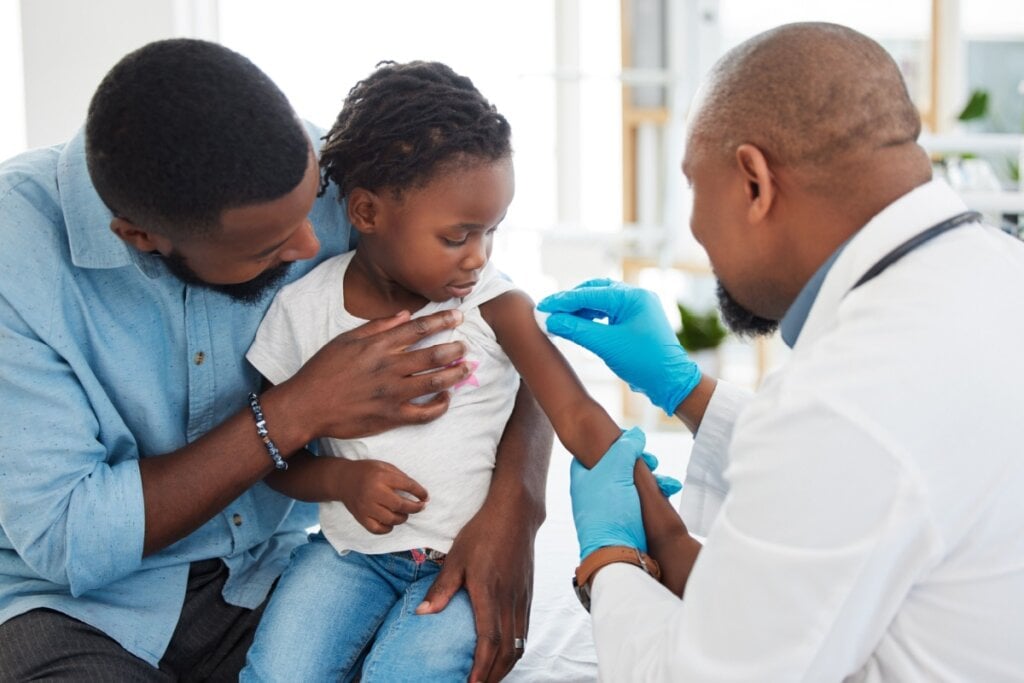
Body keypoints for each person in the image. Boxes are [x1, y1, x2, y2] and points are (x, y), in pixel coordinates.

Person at [0, 39, 554, 682]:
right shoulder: (17, 252)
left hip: (269, 573)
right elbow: (69, 537)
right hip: (78, 611)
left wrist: (517, 506)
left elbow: (510, 328)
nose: (313, 242)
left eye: (312, 203)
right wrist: (295, 411)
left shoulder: (332, 171)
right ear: (142, 237)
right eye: (268, 249)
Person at [538, 21, 1024, 681]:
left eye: (693, 187)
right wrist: (688, 392)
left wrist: (609, 559)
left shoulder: (844, 403)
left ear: (754, 183)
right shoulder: (996, 271)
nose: (695, 227)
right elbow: (878, 474)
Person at [239, 60, 682, 682]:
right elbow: (271, 456)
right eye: (457, 237)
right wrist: (342, 478)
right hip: (348, 555)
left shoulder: (494, 304)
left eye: (491, 232)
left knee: (403, 675)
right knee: (278, 673)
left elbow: (576, 413)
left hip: (466, 559)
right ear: (366, 212)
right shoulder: (302, 310)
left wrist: (663, 528)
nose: (478, 257)